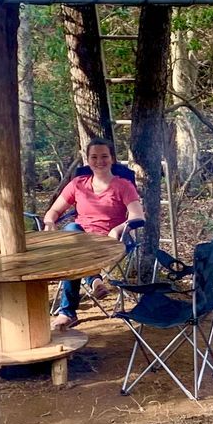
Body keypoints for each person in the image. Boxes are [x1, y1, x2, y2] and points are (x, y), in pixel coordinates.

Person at [42, 139, 144, 327]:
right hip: (81, 240)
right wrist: (49, 221)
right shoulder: (78, 184)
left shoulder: (123, 186)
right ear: (87, 159)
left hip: (111, 241)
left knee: (72, 248)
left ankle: (68, 311)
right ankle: (94, 280)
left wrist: (118, 229)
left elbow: (138, 216)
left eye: (104, 156)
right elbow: (54, 211)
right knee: (71, 232)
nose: (99, 161)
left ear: (112, 159)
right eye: (94, 157)